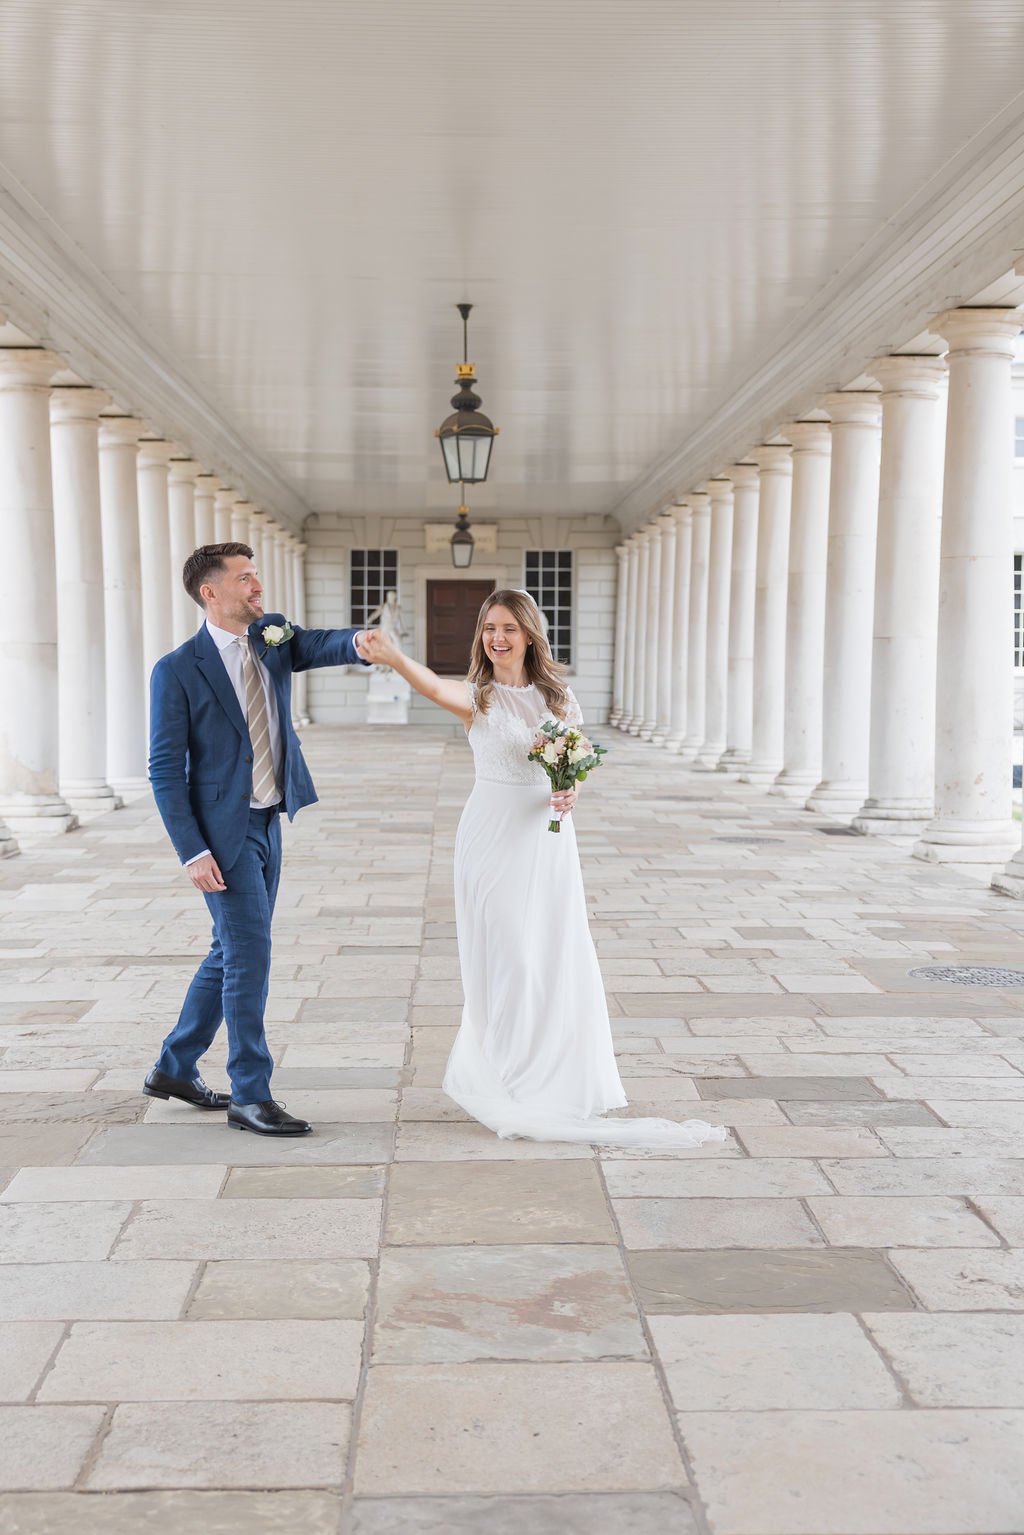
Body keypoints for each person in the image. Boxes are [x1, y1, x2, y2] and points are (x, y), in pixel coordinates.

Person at [359, 587, 726, 1148]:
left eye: (508, 628)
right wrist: (394, 657)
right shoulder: (478, 699)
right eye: (488, 629)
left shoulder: (558, 699)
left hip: (548, 842)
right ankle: (507, 1076)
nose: (497, 638)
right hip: (491, 837)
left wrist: (571, 788)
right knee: (507, 953)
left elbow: (572, 761)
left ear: (530, 633)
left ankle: (549, 1073)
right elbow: (432, 685)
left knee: (549, 953)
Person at [145, 541, 370, 1137]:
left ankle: (173, 1067)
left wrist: (361, 643)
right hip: (221, 834)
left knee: (230, 949)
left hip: (269, 820)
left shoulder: (270, 637)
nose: (257, 587)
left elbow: (318, 643)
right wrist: (192, 851)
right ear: (209, 592)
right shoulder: (177, 669)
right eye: (245, 579)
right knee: (249, 954)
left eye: (256, 576)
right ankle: (250, 1093)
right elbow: (165, 770)